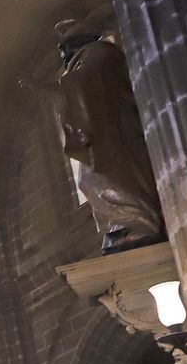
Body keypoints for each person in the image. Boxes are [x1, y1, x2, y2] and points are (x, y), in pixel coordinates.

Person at [55, 20, 164, 254]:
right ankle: (122, 225)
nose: (63, 56)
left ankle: (141, 223)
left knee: (110, 177)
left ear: (76, 42)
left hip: (112, 134)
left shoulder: (100, 52)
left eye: (64, 49)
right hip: (97, 137)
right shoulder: (81, 61)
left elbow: (87, 83)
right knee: (92, 182)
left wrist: (56, 86)